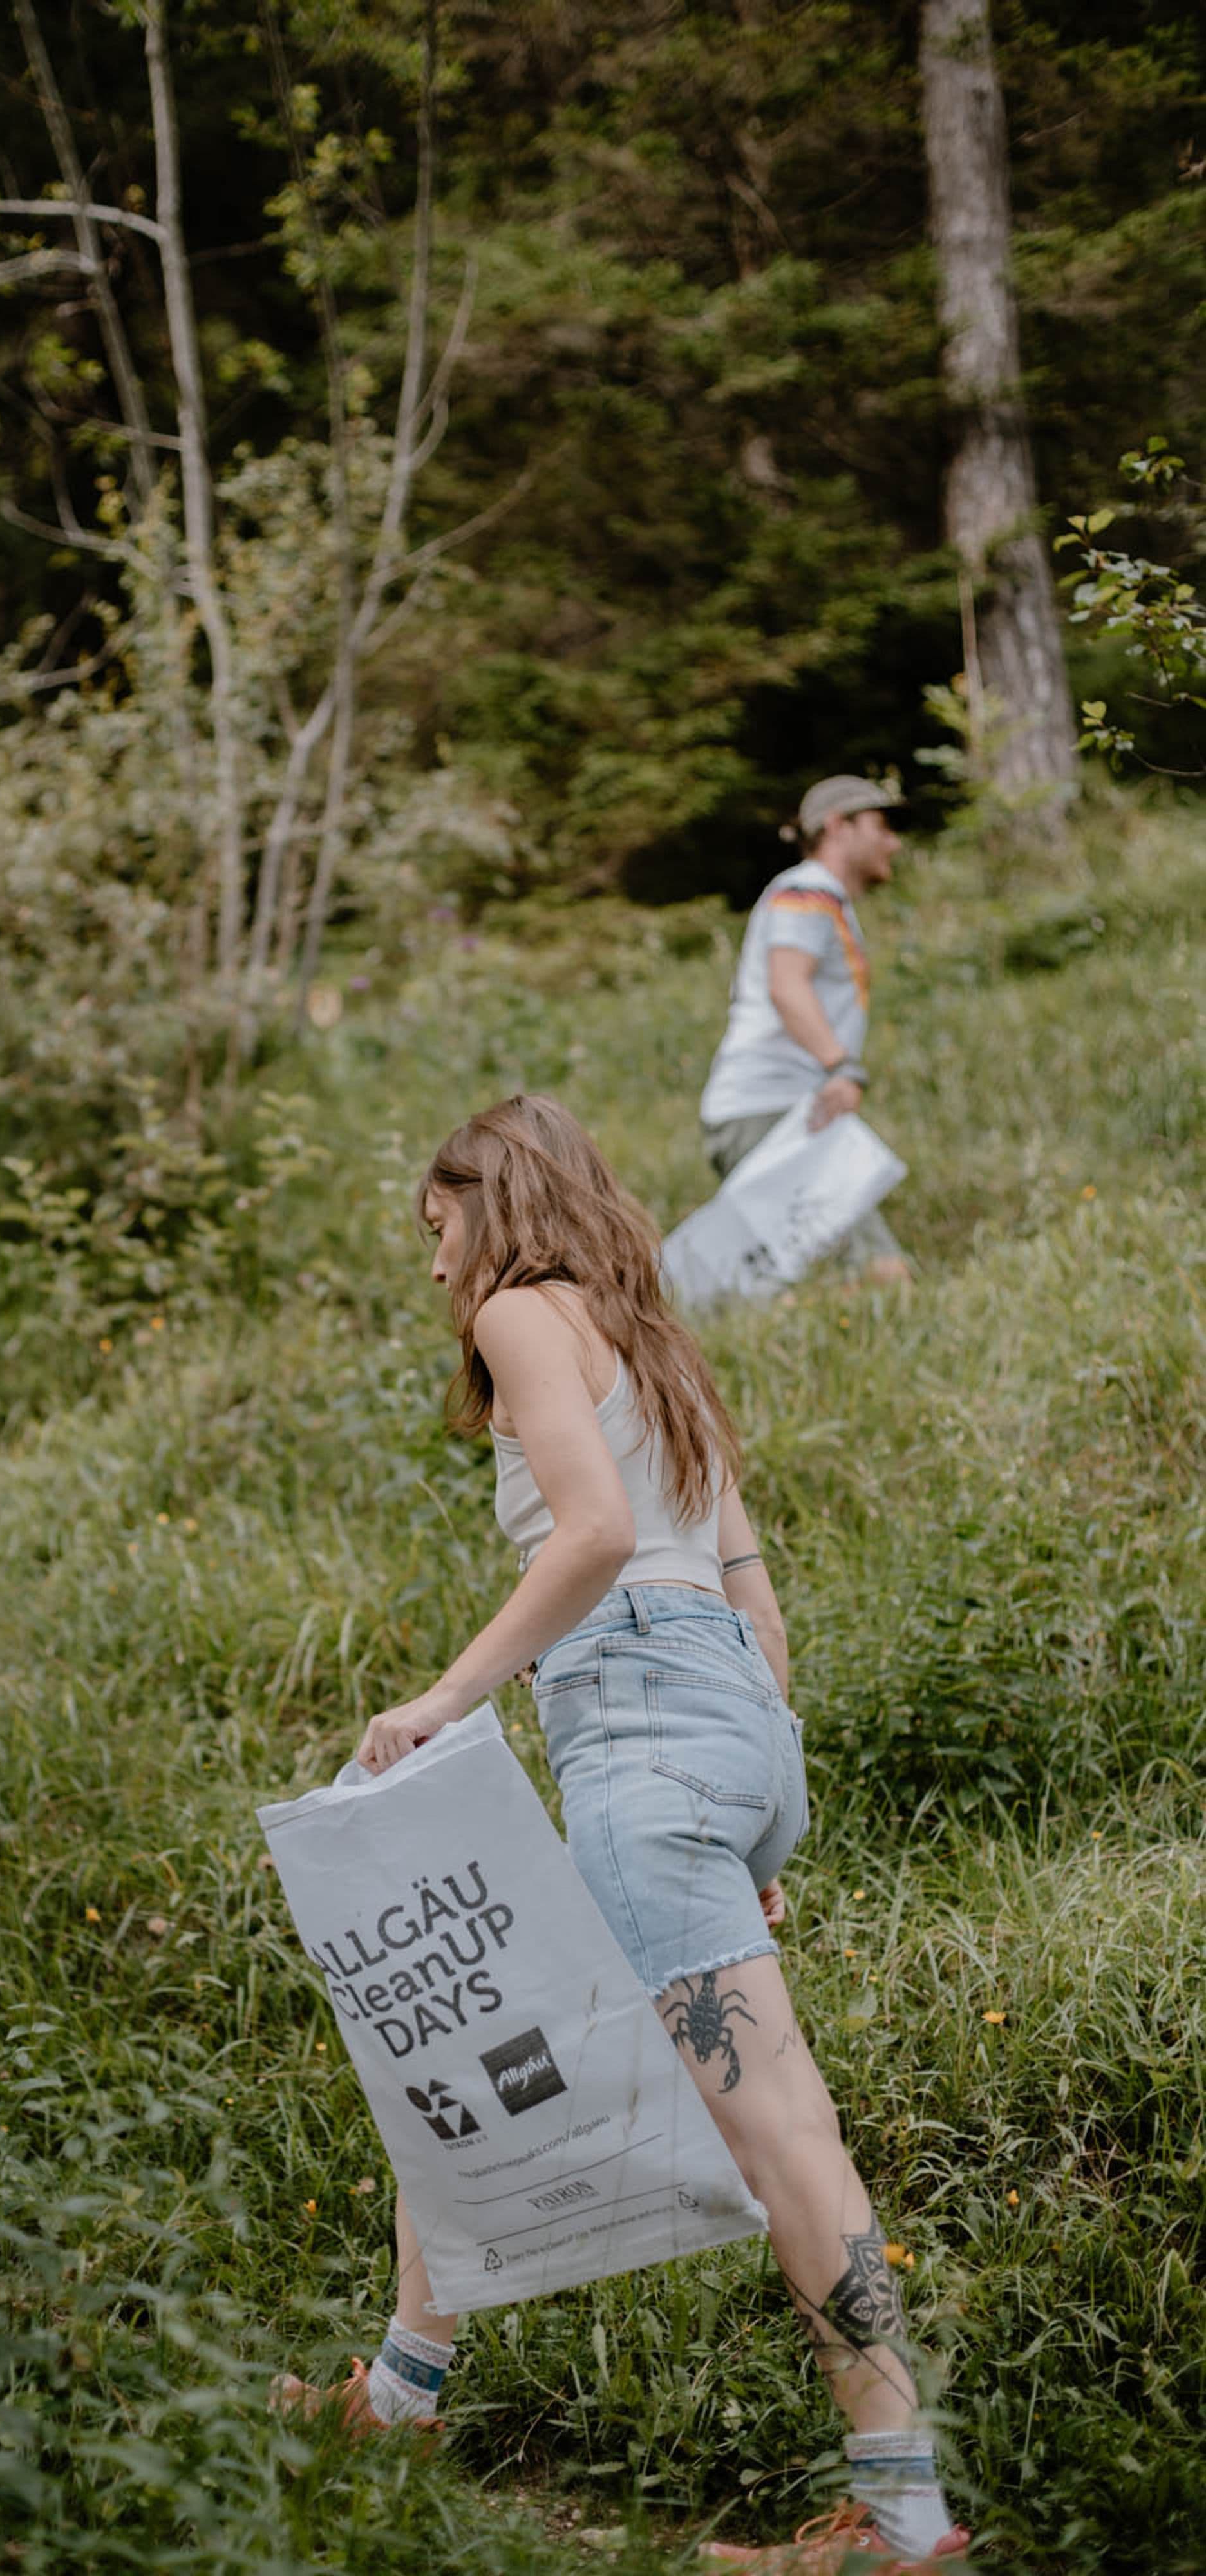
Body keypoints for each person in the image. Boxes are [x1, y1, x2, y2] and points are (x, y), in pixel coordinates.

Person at [276, 1096, 968, 2572]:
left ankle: (899, 2523)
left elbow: (588, 1533)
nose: (432, 1260)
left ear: (492, 1199)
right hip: (729, 1727)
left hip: (639, 1729)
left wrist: (444, 1697)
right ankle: (400, 2391)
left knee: (775, 2133)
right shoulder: (655, 1342)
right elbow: (753, 1597)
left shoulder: (525, 1311)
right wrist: (755, 1830)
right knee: (463, 2034)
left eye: (435, 1224)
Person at [699, 776, 910, 1285]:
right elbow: (787, 987)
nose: (894, 843)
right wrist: (842, 1067)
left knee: (804, 1285)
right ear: (837, 826)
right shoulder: (807, 892)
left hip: (773, 1109)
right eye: (881, 826)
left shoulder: (818, 897)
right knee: (880, 1276)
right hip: (769, 1110)